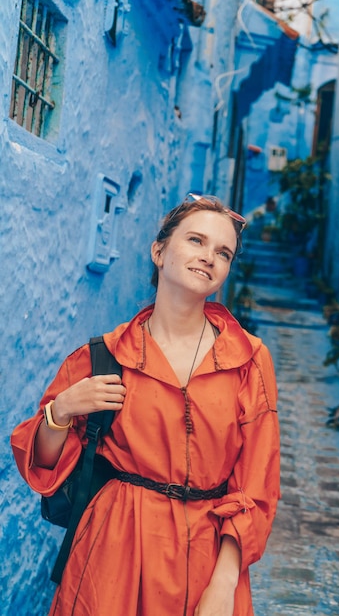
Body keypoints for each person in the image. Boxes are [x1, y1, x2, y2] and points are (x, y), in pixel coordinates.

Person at [11, 193, 280, 616]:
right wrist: (59, 412)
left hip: (206, 557)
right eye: (196, 240)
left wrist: (225, 583)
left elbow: (258, 486)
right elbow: (44, 464)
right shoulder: (104, 356)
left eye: (223, 252)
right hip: (112, 551)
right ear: (159, 251)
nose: (209, 257)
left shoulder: (249, 360)